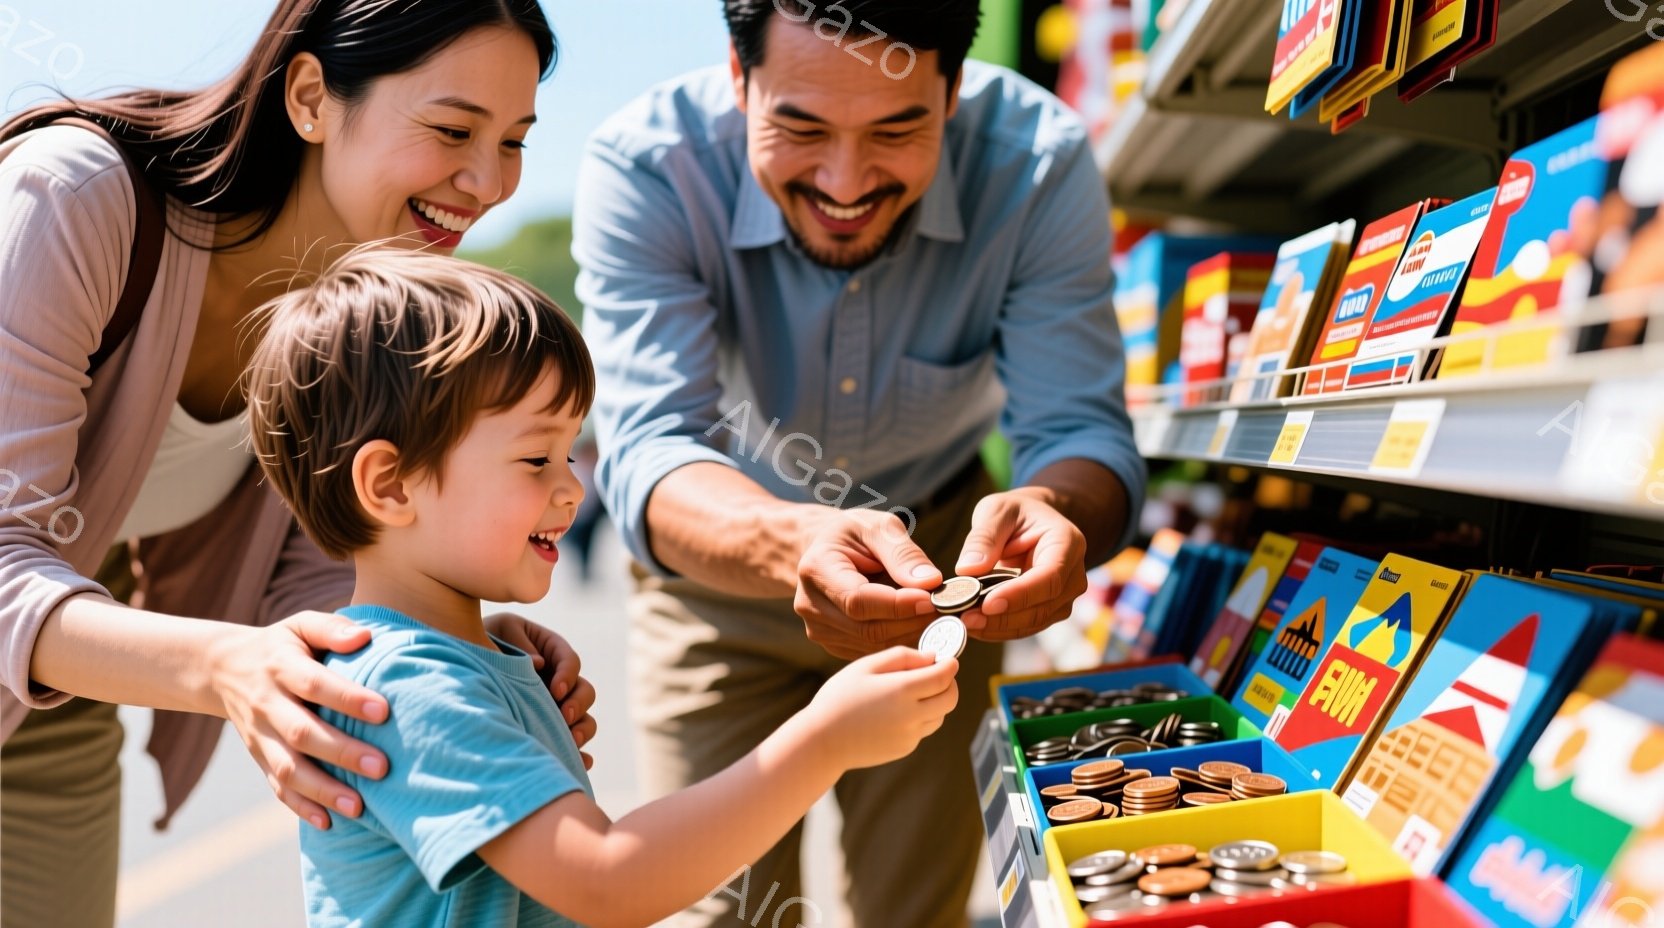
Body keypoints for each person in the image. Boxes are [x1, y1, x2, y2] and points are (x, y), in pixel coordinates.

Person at [0, 3, 597, 924]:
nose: (490, 182)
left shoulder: (367, 314)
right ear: (312, 96)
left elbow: (326, 565)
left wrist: (445, 631)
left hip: (55, 674)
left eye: (515, 140)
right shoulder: (72, 197)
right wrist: (227, 666)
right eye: (453, 130)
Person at [573, 1, 1147, 924]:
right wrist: (791, 539)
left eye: (896, 130)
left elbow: (1079, 427)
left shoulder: (1037, 161)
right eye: (801, 129)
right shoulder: (650, 165)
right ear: (739, 77)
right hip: (714, 576)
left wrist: (1061, 510)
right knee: (723, 908)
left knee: (913, 910)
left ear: (953, 92)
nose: (845, 182)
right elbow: (650, 445)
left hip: (942, 581)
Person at [243, 246, 960, 928]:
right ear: (391, 485)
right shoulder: (409, 689)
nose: (573, 489)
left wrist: (486, 656)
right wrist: (825, 740)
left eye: (569, 453)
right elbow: (605, 880)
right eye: (537, 458)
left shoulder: (444, 664)